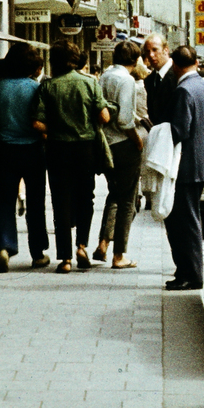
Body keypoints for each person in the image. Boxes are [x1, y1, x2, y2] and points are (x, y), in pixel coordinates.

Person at [32, 41, 111, 274]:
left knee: (61, 202)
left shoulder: (47, 87)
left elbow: (37, 122)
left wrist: (52, 131)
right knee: (86, 199)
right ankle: (82, 246)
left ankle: (65, 258)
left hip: (57, 150)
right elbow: (105, 116)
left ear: (54, 61)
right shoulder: (90, 83)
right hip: (85, 150)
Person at [0, 43, 49, 271]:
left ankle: (3, 246)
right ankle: (38, 252)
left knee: (4, 201)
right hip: (33, 150)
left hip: (5, 150)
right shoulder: (35, 88)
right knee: (35, 202)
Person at [163, 45, 204, 291]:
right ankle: (185, 271)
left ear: (174, 65)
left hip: (187, 165)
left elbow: (180, 130)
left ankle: (192, 275)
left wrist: (158, 132)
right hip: (202, 161)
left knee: (186, 222)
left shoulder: (183, 90)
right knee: (189, 219)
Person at [93, 40, 144, 269]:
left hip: (105, 143)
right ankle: (119, 254)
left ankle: (103, 243)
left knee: (114, 194)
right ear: (135, 59)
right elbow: (125, 120)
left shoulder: (103, 77)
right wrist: (137, 140)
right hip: (123, 145)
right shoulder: (127, 81)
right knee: (127, 200)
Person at [141, 34, 178, 127]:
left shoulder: (177, 74)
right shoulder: (149, 80)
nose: (151, 55)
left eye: (155, 50)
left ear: (166, 50)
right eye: (147, 51)